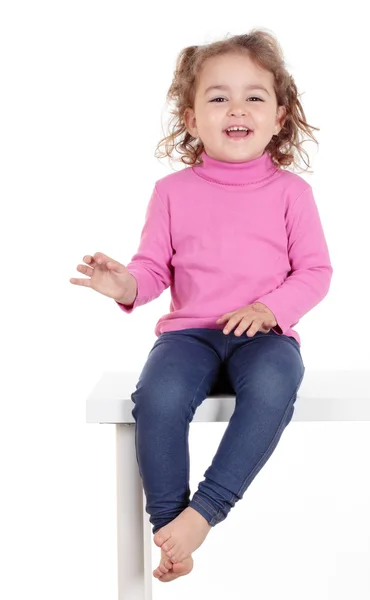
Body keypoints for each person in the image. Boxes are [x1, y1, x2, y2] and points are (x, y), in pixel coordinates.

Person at [70, 28, 333, 583]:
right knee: (157, 397)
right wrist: (123, 286)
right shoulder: (172, 193)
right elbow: (152, 270)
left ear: (279, 116)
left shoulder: (292, 194)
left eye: (253, 97)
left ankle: (205, 509)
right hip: (189, 336)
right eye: (218, 97)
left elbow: (314, 272)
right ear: (191, 120)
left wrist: (269, 309)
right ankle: (171, 526)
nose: (236, 108)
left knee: (272, 388)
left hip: (266, 337)